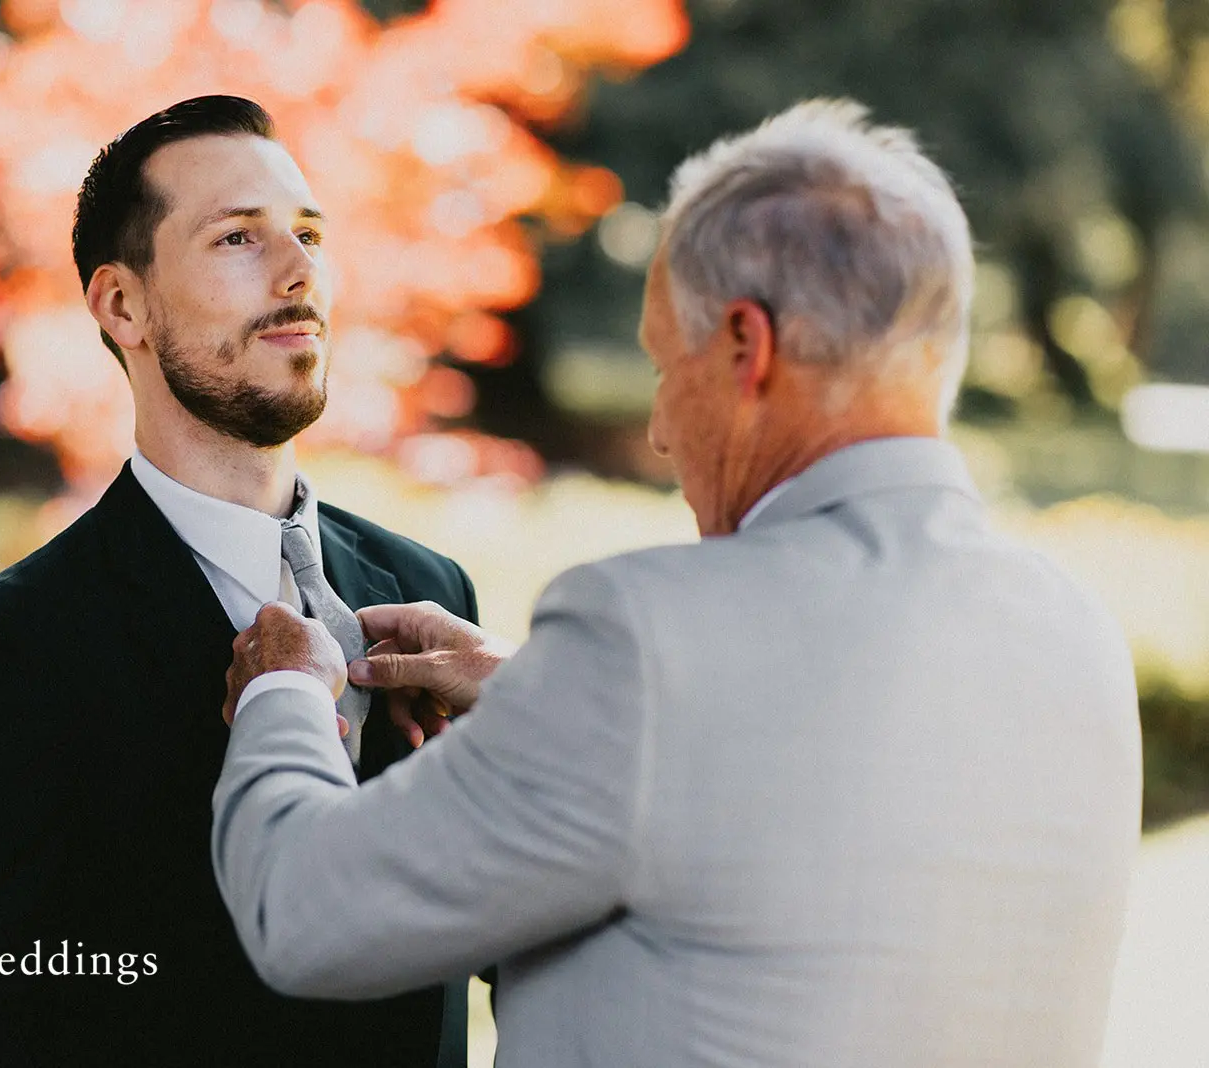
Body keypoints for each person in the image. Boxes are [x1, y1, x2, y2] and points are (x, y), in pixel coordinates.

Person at [213, 100, 1142, 1068]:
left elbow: (302, 909)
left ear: (747, 347)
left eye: (665, 364)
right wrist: (540, 698)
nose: (657, 428)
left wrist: (286, 686)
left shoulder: (646, 645)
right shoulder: (1071, 631)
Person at [0, 95, 476, 1067]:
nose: (300, 269)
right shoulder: (4, 654)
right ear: (122, 306)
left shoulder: (435, 598)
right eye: (237, 238)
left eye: (308, 234)